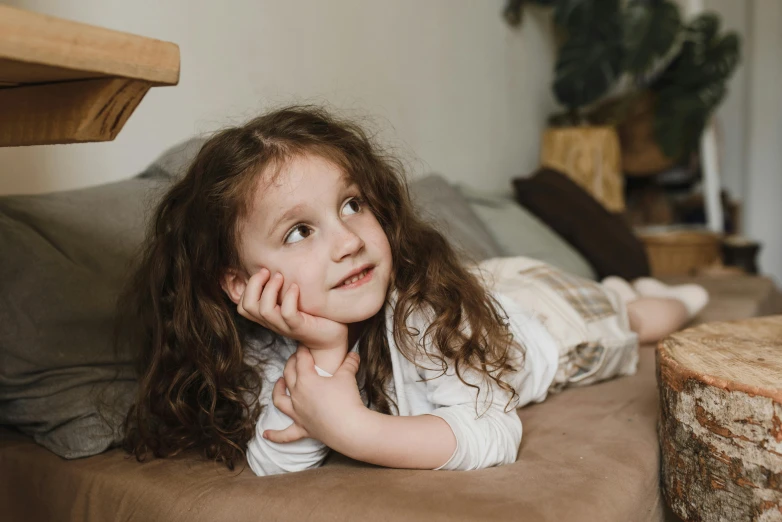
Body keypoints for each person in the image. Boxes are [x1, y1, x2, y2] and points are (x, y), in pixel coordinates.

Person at [117, 106, 708, 476]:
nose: (348, 239)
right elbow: (272, 463)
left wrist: (356, 431)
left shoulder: (423, 314)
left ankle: (667, 292)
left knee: (641, 316)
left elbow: (494, 433)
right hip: (483, 297)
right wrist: (323, 354)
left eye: (352, 204)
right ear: (240, 284)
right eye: (300, 231)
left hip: (541, 321)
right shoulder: (267, 343)